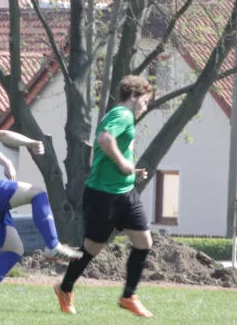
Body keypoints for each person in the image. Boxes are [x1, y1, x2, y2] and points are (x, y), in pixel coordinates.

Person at [0, 90, 82, 310]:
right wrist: (31, 143)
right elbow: (0, 136)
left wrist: (7, 163)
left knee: (14, 249)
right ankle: (53, 245)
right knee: (37, 192)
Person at [54, 75, 153, 317]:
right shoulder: (123, 114)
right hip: (103, 195)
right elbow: (104, 138)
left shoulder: (123, 116)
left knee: (144, 242)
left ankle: (129, 296)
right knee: (92, 249)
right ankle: (64, 288)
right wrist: (121, 162)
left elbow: (113, 145)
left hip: (125, 192)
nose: (145, 107)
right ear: (133, 96)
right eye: (146, 101)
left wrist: (130, 170)